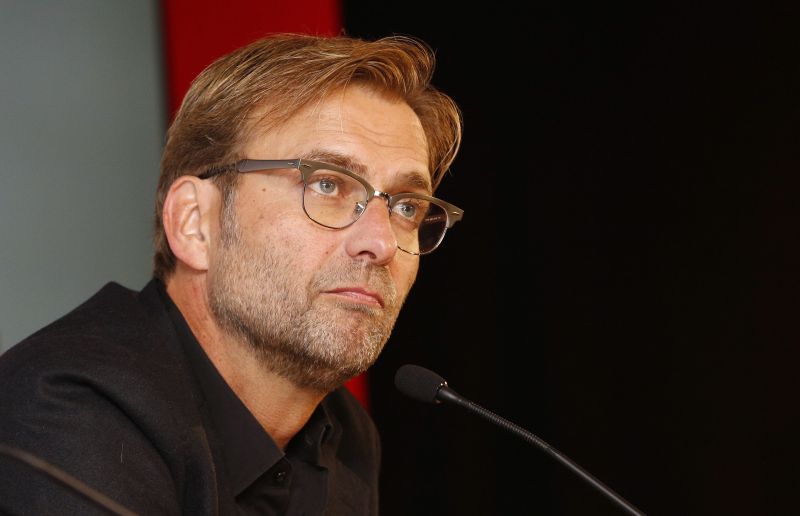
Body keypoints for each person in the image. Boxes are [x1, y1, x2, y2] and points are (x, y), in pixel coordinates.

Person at [0, 33, 463, 515]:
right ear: (194, 223)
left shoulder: (346, 436)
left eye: (406, 207)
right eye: (327, 184)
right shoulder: (66, 415)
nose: (383, 242)